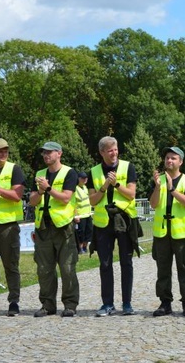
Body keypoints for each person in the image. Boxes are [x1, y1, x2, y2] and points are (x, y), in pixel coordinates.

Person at [88, 136, 140, 316]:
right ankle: (107, 303)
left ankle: (127, 303)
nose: (114, 153)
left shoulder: (128, 167)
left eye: (116, 149)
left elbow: (131, 194)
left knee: (126, 262)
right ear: (102, 152)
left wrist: (117, 184)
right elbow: (92, 200)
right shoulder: (93, 171)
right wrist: (104, 186)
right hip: (103, 222)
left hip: (123, 220)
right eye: (110, 150)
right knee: (105, 263)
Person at [30, 141, 80, 317]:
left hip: (63, 227)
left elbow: (66, 198)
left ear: (59, 153)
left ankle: (70, 304)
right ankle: (47, 304)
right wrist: (41, 192)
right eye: (44, 152)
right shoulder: (39, 174)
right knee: (44, 269)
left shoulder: (69, 172)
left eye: (50, 152)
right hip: (43, 227)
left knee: (67, 268)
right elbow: (32, 200)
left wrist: (48, 188)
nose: (46, 155)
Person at [149, 146, 185, 317]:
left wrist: (172, 189)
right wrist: (157, 187)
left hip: (182, 234)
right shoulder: (158, 180)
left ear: (181, 162)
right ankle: (165, 303)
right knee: (162, 269)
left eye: (173, 158)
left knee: (184, 269)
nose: (169, 161)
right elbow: (153, 204)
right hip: (162, 233)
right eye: (167, 157)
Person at [0, 138, 25, 316]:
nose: (3, 153)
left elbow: (17, 195)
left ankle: (14, 301)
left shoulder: (14, 169)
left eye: (5, 150)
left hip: (7, 226)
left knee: (10, 265)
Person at [73, 172, 92, 254]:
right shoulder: (75, 189)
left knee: (89, 232)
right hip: (80, 215)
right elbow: (73, 204)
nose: (85, 180)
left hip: (88, 214)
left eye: (86, 178)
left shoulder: (85, 188)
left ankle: (85, 247)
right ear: (79, 179)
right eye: (83, 178)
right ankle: (80, 249)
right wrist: (75, 215)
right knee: (81, 233)